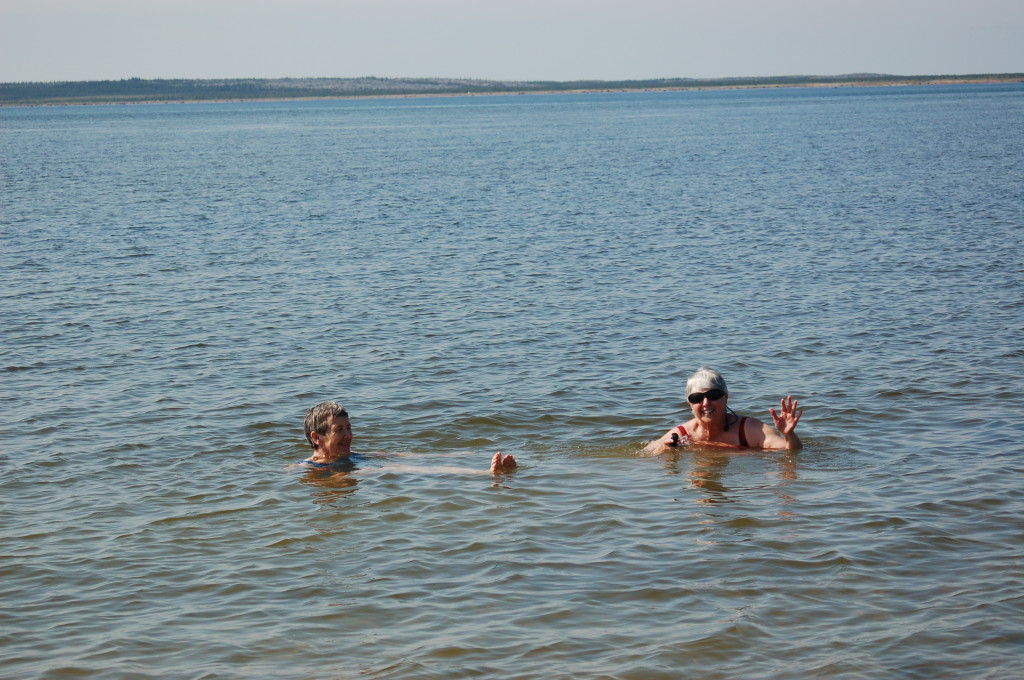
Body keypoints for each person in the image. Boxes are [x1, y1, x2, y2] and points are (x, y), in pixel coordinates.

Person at [301, 400, 517, 473]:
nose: (349, 435)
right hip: (345, 473)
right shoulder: (311, 469)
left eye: (349, 427)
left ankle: (475, 459)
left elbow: (402, 456)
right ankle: (484, 474)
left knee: (401, 459)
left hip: (354, 465)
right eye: (339, 430)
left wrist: (461, 453)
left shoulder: (353, 455)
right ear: (317, 437)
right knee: (400, 471)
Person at [644, 367, 803, 454]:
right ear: (690, 403)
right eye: (697, 398)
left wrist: (789, 435)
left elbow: (790, 452)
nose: (706, 403)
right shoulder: (682, 434)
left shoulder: (749, 430)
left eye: (713, 395)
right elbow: (645, 453)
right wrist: (663, 450)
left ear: (726, 398)